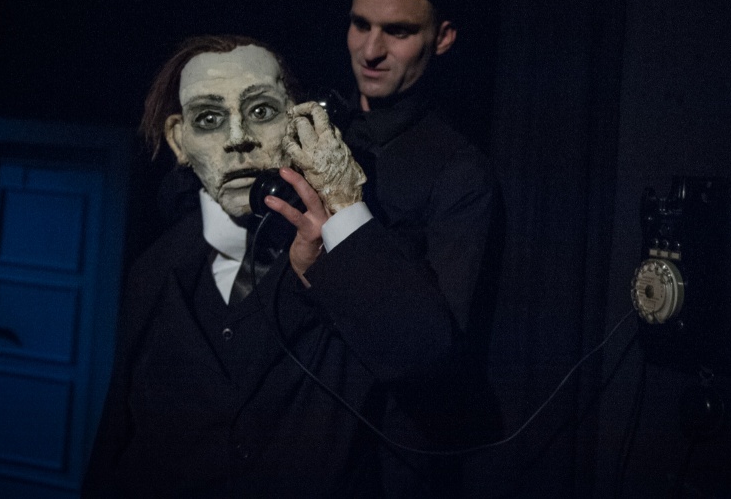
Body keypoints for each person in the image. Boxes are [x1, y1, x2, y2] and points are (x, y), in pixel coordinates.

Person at [84, 28, 489, 497]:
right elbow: (117, 439)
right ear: (179, 140)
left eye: (261, 112)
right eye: (209, 118)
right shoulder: (153, 271)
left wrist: (344, 212)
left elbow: (427, 362)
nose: (238, 139)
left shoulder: (347, 255)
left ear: (299, 122)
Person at [264, 0, 503, 496]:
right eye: (360, 24)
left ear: (442, 37)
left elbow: (433, 358)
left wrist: (339, 238)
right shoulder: (319, 126)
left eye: (397, 31)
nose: (371, 51)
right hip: (286, 445)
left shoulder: (459, 172)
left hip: (377, 465)